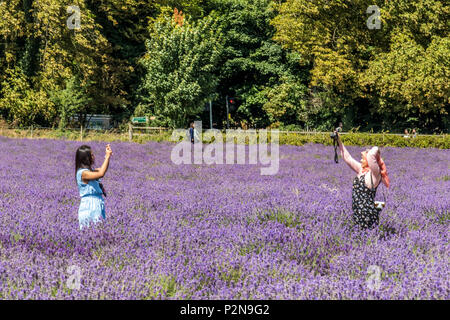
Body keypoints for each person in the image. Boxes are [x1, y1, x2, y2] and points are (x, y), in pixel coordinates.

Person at [335, 131, 390, 229]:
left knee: (366, 237)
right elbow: (347, 158)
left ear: (369, 161)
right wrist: (338, 140)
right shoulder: (362, 170)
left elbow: (371, 155)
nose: (361, 160)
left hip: (367, 216)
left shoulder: (375, 174)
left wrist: (376, 148)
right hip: (357, 213)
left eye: (363, 158)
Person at [75, 144, 112, 230]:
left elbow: (102, 169)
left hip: (97, 203)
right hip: (90, 205)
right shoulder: (83, 173)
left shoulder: (89, 171)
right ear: (85, 158)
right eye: (91, 155)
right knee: (91, 230)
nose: (93, 156)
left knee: (99, 230)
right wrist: (107, 157)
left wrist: (107, 156)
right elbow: (101, 173)